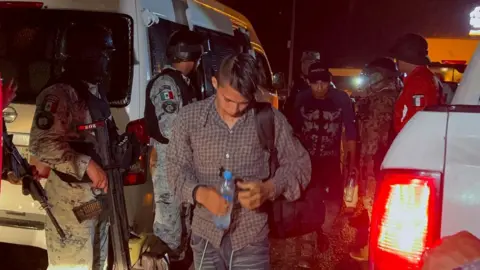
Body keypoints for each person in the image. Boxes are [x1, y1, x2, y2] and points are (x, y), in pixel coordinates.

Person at [166, 53, 311, 269]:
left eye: (243, 103)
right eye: (228, 100)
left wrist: (270, 188)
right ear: (215, 83)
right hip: (205, 236)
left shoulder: (270, 119)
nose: (234, 109)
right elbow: (175, 168)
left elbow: (300, 165)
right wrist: (200, 193)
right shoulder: (189, 119)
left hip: (250, 237)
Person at [29, 23, 116, 269]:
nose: (107, 63)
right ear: (87, 56)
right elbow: (42, 143)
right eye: (104, 56)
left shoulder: (94, 90)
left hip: (95, 199)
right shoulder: (60, 93)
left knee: (97, 261)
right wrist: (86, 165)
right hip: (70, 201)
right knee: (71, 264)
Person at [144, 29, 204, 262]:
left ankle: (178, 262)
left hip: (183, 162)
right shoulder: (167, 84)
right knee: (169, 227)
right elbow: (170, 128)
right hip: (169, 161)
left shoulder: (185, 83)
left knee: (184, 221)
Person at [290, 62, 357, 266]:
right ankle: (307, 248)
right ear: (309, 83)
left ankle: (322, 231)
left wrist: (351, 162)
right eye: (315, 83)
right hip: (307, 160)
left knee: (333, 203)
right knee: (307, 202)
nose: (319, 87)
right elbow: (291, 130)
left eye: (323, 83)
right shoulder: (301, 99)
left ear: (329, 83)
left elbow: (351, 131)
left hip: (331, 159)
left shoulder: (341, 100)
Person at [349, 57, 402, 261]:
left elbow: (373, 137)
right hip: (382, 161)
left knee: (376, 204)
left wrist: (366, 169)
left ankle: (375, 251)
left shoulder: (383, 99)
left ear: (379, 77)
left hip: (376, 163)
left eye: (369, 76)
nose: (366, 80)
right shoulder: (387, 96)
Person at [390, 33, 442, 134]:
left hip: (410, 142)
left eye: (397, 58)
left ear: (405, 58)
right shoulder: (424, 77)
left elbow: (417, 119)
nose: (396, 62)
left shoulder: (419, 81)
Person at [283, 50, 320, 122]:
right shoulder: (298, 83)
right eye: (304, 62)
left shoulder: (324, 82)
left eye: (310, 62)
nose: (307, 65)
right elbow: (290, 105)